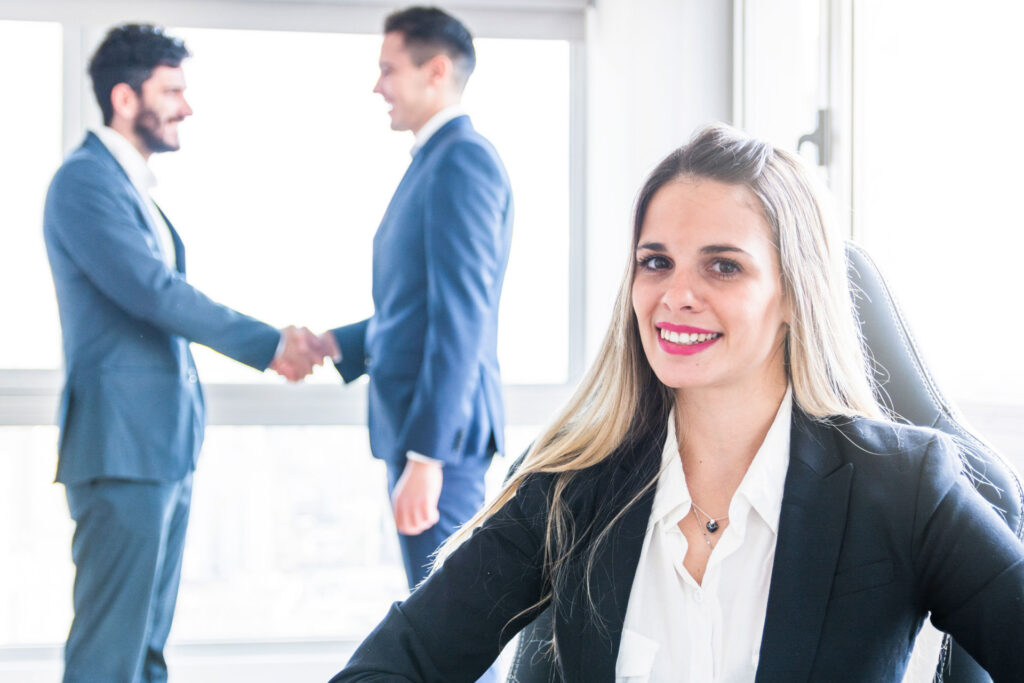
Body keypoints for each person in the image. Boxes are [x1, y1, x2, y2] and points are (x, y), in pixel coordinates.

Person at [330, 124, 1024, 682]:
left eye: (723, 265)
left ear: (791, 295)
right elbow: (389, 664)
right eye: (656, 261)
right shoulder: (574, 488)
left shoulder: (902, 487)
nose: (676, 293)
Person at [43, 24, 327, 683]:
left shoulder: (130, 187)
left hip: (157, 450)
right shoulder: (84, 182)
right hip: (122, 451)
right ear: (123, 96)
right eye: (172, 90)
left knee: (144, 650)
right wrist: (270, 344)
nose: (186, 107)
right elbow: (154, 292)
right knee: (108, 654)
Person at [320, 5, 512, 611]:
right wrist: (338, 343)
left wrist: (428, 457)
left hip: (441, 441)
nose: (377, 86)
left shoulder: (462, 161)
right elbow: (418, 308)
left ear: (435, 71)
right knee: (436, 621)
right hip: (426, 433)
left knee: (448, 627)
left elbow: (462, 317)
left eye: (387, 69)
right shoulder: (434, 161)